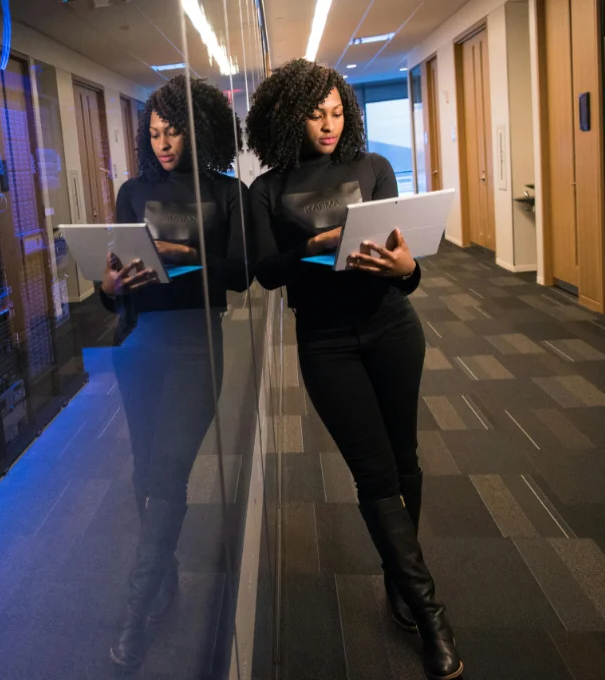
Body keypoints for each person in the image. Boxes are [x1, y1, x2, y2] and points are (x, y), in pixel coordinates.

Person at [244, 59, 463, 680]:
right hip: (326, 342)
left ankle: (400, 579)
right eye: (316, 114)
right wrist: (311, 247)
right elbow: (265, 270)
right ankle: (430, 613)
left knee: (405, 460)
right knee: (373, 474)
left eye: (338, 112)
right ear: (289, 116)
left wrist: (408, 270)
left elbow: (404, 260)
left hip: (392, 326)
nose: (330, 125)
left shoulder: (374, 168)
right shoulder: (268, 189)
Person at [99, 75, 248, 670]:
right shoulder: (132, 192)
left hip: (196, 348)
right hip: (140, 345)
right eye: (154, 133)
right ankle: (165, 577)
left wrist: (186, 256)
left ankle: (135, 612)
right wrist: (110, 286)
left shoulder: (225, 192)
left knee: (168, 472)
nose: (163, 143)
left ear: (198, 127)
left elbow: (240, 275)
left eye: (173, 130)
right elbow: (113, 291)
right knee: (144, 472)